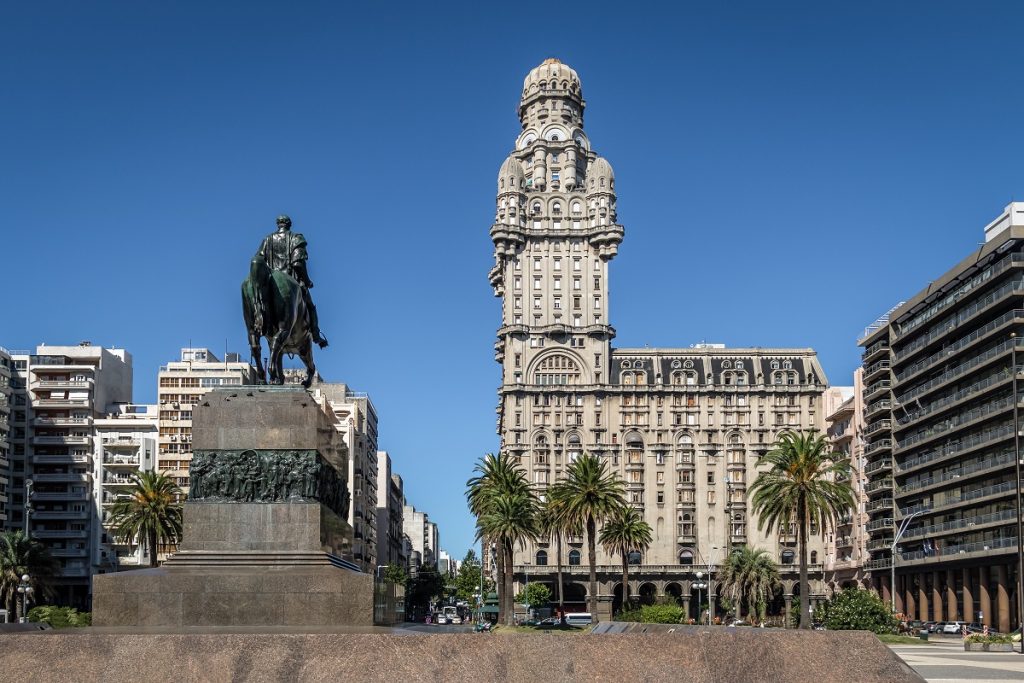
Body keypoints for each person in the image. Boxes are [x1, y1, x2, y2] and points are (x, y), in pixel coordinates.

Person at [253, 215, 328, 348]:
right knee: (310, 306)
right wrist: (307, 281)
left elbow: (259, 260)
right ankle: (316, 335)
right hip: (292, 282)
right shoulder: (296, 238)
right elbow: (298, 264)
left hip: (270, 282)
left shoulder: (267, 240)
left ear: (278, 224)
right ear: (289, 225)